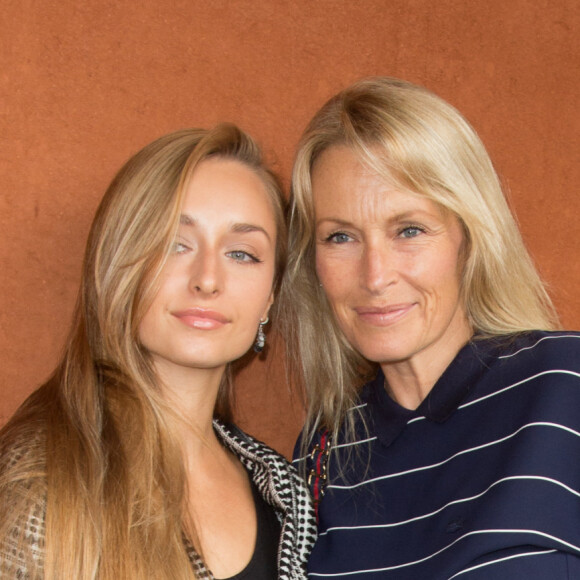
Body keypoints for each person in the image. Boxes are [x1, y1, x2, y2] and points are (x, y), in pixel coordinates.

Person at [283, 77, 580, 579]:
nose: (375, 276)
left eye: (409, 230)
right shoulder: (324, 449)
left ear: (470, 236)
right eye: (340, 237)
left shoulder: (565, 386)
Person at [0, 124, 316, 579]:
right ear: (118, 263)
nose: (207, 279)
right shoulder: (43, 477)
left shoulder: (286, 490)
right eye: (175, 244)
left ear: (270, 297)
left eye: (242, 254)